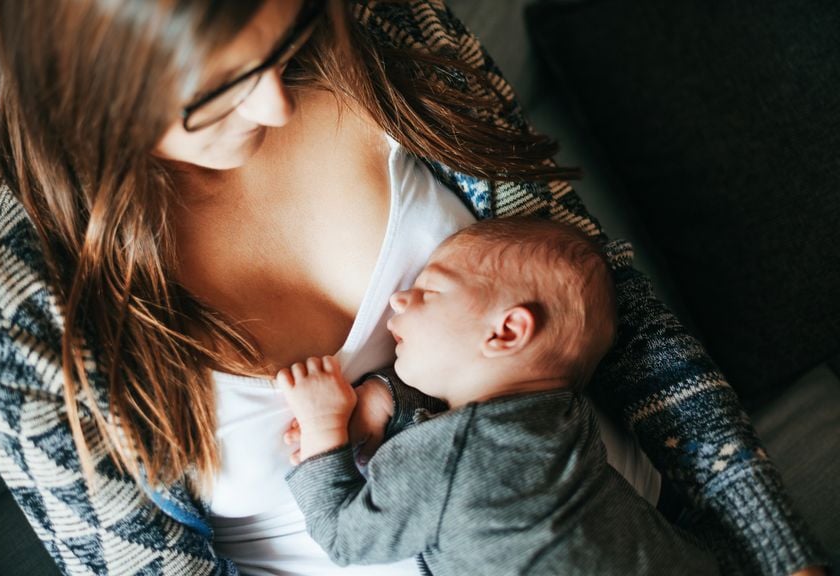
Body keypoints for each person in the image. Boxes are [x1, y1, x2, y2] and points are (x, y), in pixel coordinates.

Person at [0, 0, 826, 574]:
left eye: (288, 38)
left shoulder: (388, 31)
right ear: (85, 91)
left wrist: (780, 554)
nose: (275, 106)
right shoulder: (18, 313)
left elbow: (618, 318)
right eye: (218, 93)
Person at [276, 217, 720, 575]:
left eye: (429, 291)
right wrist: (388, 398)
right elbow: (462, 404)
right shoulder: (567, 416)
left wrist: (323, 429)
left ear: (506, 330)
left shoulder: (443, 458)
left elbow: (345, 538)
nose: (398, 299)